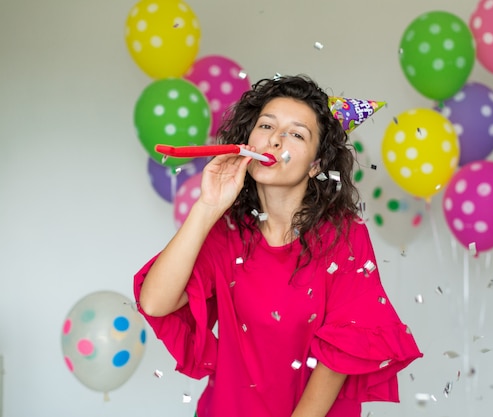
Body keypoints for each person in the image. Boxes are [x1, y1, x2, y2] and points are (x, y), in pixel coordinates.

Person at [133, 74, 423, 417]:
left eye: (296, 134)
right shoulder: (227, 231)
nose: (275, 139)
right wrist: (208, 206)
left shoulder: (343, 235)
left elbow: (342, 352)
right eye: (266, 125)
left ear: (316, 165)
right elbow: (154, 302)